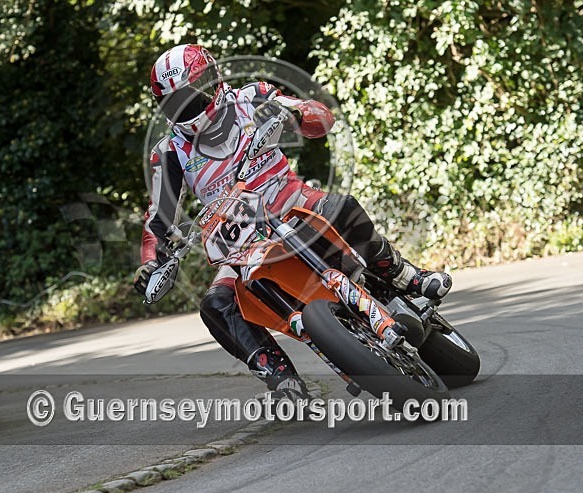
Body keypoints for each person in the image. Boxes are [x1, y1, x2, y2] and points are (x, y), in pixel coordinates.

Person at [133, 44, 451, 400]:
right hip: (240, 240)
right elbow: (157, 217)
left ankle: (406, 276)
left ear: (213, 82)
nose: (187, 108)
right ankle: (281, 378)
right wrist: (151, 262)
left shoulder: (251, 98)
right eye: (176, 103)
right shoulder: (168, 151)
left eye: (192, 96)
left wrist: (295, 115)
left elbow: (320, 117)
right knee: (216, 304)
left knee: (341, 206)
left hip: (294, 200)